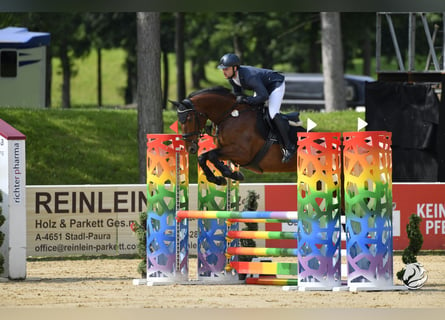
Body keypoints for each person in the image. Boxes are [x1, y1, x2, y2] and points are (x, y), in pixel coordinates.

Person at [217, 53, 296, 163]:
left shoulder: (249, 76)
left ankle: (289, 146)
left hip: (274, 84)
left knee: (272, 113)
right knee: (254, 111)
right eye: (222, 69)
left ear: (235, 68)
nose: (223, 71)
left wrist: (247, 100)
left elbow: (264, 96)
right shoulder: (232, 78)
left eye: (226, 68)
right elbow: (238, 96)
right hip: (262, 86)